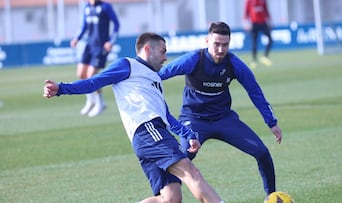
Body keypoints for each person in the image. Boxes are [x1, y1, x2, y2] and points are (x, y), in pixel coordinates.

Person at [43, 32, 224, 203]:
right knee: (190, 172)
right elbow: (94, 82)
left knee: (171, 198)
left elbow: (165, 115)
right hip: (148, 131)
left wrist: (188, 133)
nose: (165, 58)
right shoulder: (127, 65)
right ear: (147, 49)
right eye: (162, 52)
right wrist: (61, 88)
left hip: (151, 134)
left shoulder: (154, 78)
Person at [158, 22, 282, 198]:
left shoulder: (234, 64)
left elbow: (254, 91)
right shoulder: (193, 60)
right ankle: (166, 197)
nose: (220, 49)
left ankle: (273, 197)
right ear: (207, 41)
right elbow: (160, 74)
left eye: (225, 45)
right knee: (181, 159)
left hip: (224, 120)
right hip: (194, 121)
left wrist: (271, 122)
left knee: (262, 152)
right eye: (216, 44)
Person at [70, 0, 120, 117]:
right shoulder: (86, 7)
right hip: (89, 45)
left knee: (91, 75)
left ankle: (100, 103)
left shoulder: (105, 7)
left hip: (100, 46)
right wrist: (77, 38)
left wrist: (111, 41)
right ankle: (90, 100)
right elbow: (84, 26)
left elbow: (116, 24)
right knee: (81, 74)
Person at [244, 0, 272, 69]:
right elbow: (246, 12)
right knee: (254, 42)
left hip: (263, 22)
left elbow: (266, 10)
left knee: (270, 39)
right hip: (254, 23)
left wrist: (270, 21)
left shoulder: (263, 1)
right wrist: (246, 23)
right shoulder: (249, 1)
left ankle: (265, 57)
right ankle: (254, 61)